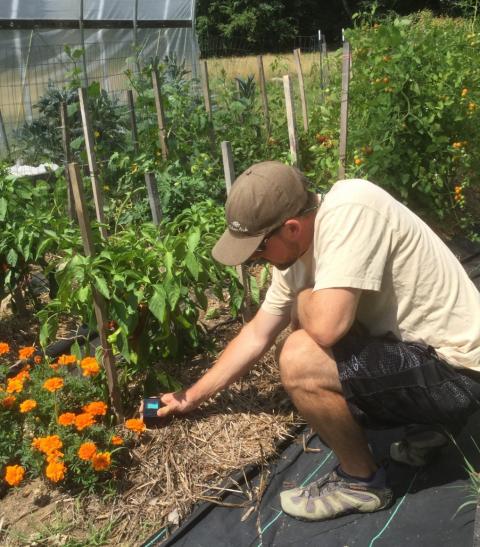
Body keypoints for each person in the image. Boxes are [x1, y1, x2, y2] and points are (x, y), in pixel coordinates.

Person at [151, 161, 480, 521]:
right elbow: (257, 333)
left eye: (258, 249)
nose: (254, 261)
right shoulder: (293, 256)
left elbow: (326, 327)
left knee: (299, 357)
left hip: (459, 374)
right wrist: (190, 397)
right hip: (430, 361)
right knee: (304, 336)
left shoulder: (350, 207)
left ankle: (361, 482)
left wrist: (303, 298)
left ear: (291, 228)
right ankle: (429, 426)